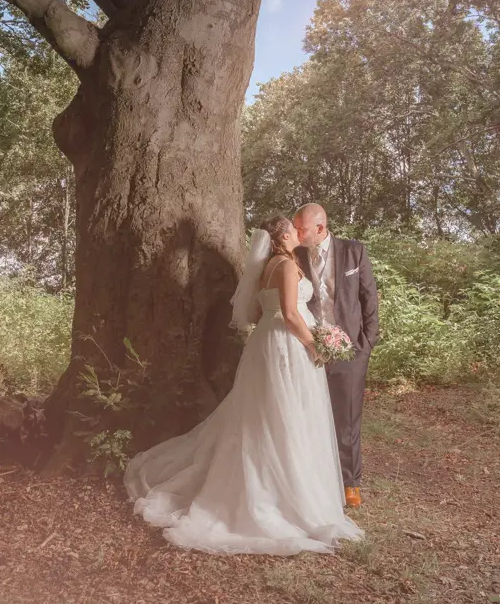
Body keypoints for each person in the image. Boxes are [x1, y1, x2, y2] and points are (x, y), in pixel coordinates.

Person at [124, 215, 363, 555]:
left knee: (267, 414)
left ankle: (280, 481)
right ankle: (282, 494)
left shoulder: (268, 266)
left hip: (269, 342)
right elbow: (292, 314)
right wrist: (316, 346)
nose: (298, 231)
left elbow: (254, 313)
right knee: (283, 416)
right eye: (293, 227)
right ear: (282, 235)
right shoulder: (285, 266)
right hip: (286, 345)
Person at [293, 203, 379, 509]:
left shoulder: (354, 252)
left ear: (320, 228)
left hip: (350, 349)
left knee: (347, 418)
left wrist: (366, 343)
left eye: (300, 227)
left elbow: (369, 298)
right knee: (311, 414)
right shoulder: (295, 254)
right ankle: (316, 478)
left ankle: (349, 483)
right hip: (308, 347)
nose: (295, 232)